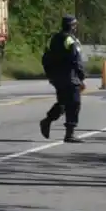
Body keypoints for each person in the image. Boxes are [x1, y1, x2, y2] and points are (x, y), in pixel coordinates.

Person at [39, 14, 86, 143]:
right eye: (75, 25)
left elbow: (47, 57)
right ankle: (69, 134)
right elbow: (76, 60)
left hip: (56, 77)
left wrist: (51, 75)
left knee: (63, 103)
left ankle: (47, 121)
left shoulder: (54, 38)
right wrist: (81, 77)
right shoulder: (71, 40)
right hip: (70, 77)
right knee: (74, 104)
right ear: (73, 26)